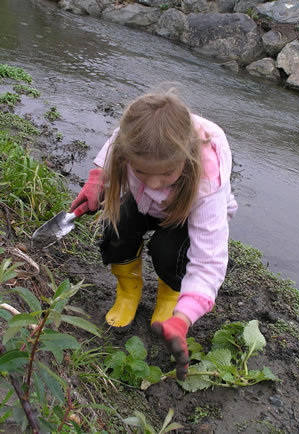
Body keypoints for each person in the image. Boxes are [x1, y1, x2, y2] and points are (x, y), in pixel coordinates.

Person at [70, 90, 238, 381]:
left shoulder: (207, 181)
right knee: (117, 227)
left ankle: (170, 298)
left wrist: (184, 317)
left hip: (185, 211)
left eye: (165, 175)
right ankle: (128, 291)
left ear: (185, 161)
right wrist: (98, 180)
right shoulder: (135, 136)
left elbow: (209, 261)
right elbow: (115, 143)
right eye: (142, 171)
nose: (155, 183)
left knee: (169, 251)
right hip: (141, 201)